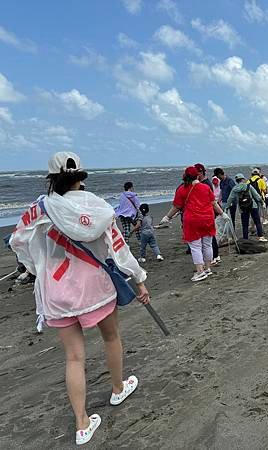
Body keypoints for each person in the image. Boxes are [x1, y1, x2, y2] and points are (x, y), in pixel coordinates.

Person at [9, 151, 150, 445]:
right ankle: (117, 388)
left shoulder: (41, 207)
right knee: (111, 338)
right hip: (95, 288)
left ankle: (82, 424)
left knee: (74, 357)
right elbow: (118, 249)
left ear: (52, 177)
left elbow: (17, 240)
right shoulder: (97, 207)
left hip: (56, 293)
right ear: (81, 177)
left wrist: (39, 267)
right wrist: (139, 280)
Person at [160, 166, 224, 281]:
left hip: (192, 220)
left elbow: (176, 206)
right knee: (207, 245)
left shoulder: (182, 189)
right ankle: (208, 268)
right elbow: (214, 203)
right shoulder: (205, 187)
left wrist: (167, 217)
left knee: (195, 247)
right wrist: (223, 214)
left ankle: (200, 271)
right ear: (197, 175)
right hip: (207, 219)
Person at [221, 173, 268, 241]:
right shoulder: (249, 186)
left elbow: (230, 199)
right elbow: (256, 196)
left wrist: (226, 208)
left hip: (242, 207)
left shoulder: (235, 189)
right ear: (243, 179)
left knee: (245, 224)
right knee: (257, 221)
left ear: (237, 181)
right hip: (252, 206)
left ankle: (245, 238)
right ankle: (260, 237)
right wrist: (262, 202)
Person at [196, 163, 221, 266]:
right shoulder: (203, 183)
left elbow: (211, 200)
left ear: (200, 172)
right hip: (206, 212)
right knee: (208, 237)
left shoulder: (206, 184)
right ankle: (213, 256)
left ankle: (215, 256)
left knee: (210, 236)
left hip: (208, 213)